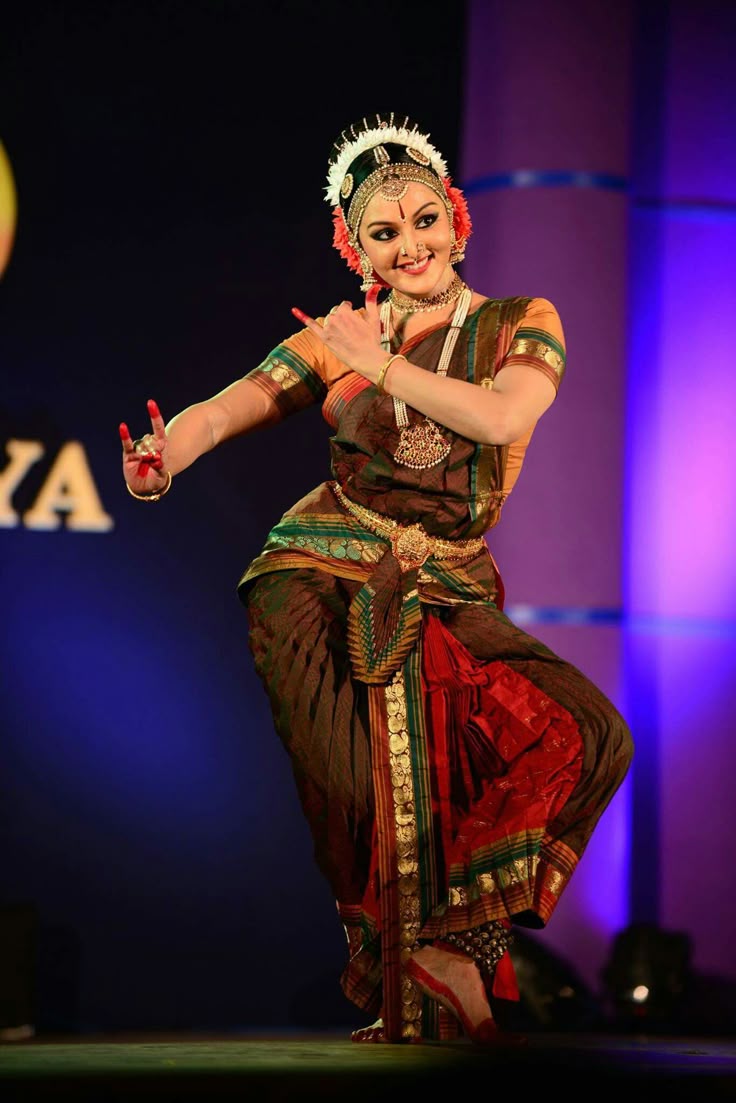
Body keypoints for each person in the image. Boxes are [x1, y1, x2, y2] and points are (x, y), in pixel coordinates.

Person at [119, 112, 634, 1046]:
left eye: (424, 220)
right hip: (322, 569)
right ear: (354, 247)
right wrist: (168, 455)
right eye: (383, 232)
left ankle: (453, 947)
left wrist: (381, 364)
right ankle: (424, 985)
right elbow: (230, 406)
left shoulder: (519, 322)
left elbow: (501, 417)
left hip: (448, 579)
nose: (410, 245)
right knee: (365, 795)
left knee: (583, 735)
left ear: (457, 220)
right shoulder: (341, 336)